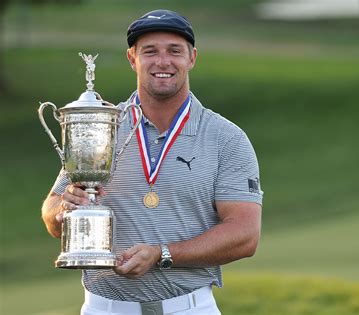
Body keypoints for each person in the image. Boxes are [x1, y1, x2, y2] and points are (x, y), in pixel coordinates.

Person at [40, 9, 263, 315]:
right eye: (150, 52)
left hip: (188, 308)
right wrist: (66, 208)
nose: (162, 62)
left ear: (192, 58)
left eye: (174, 51)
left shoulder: (226, 138)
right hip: (104, 309)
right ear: (132, 59)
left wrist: (163, 254)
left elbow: (245, 235)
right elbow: (51, 213)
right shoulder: (100, 126)